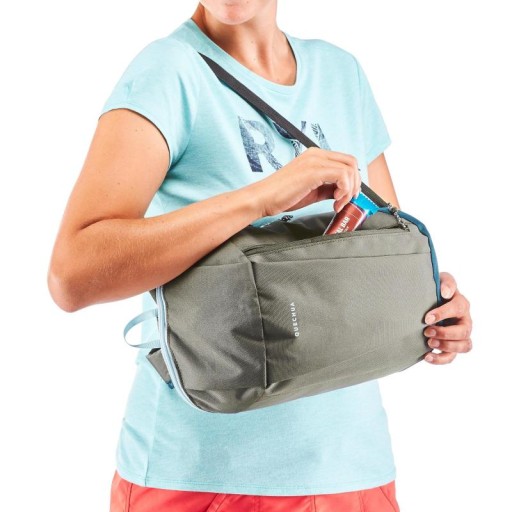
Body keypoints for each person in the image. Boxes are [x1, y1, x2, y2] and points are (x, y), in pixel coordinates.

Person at [48, 1, 473, 511]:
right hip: (204, 478)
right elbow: (72, 275)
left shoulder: (341, 73)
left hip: (353, 473)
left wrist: (434, 310)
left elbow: (382, 254)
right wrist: (261, 199)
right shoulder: (170, 72)